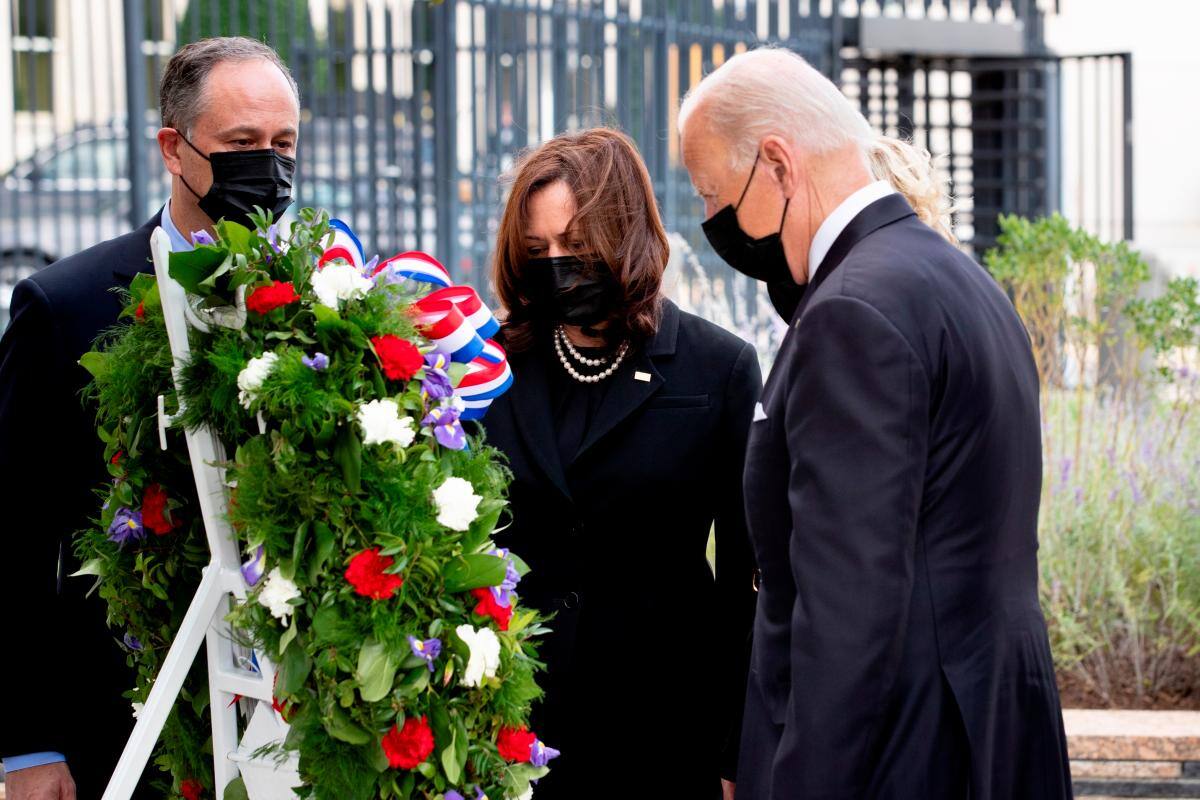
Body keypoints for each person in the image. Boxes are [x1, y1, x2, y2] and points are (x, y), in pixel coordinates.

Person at [679, 47, 1073, 800]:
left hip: (901, 754)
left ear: (778, 164)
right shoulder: (959, 279)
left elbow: (848, 607)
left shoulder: (852, 312)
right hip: (986, 728)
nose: (710, 223)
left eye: (710, 193)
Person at [0, 37, 300, 800]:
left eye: (283, 144)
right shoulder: (64, 309)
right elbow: (13, 533)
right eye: (241, 144)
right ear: (174, 147)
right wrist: (24, 745)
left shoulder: (324, 302)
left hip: (290, 726)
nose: (267, 164)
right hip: (120, 726)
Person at [482, 127, 760, 799]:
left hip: (665, 729)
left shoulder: (717, 368)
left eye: (576, 246)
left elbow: (747, 579)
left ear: (625, 233)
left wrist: (735, 745)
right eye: (538, 249)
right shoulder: (488, 367)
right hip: (519, 723)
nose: (557, 264)